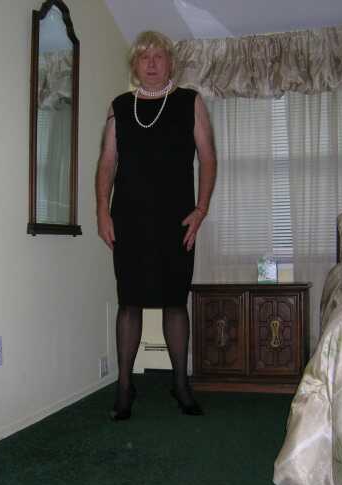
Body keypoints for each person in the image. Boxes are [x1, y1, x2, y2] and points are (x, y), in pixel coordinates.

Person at [95, 30, 217, 421]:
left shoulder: (189, 102)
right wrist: (102, 211)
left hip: (176, 220)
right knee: (129, 302)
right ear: (134, 65)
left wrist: (201, 209)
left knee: (175, 302)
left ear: (170, 63)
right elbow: (107, 163)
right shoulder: (119, 106)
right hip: (129, 220)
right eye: (144, 56)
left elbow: (208, 158)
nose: (151, 63)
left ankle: (180, 384)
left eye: (158, 56)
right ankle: (124, 387)